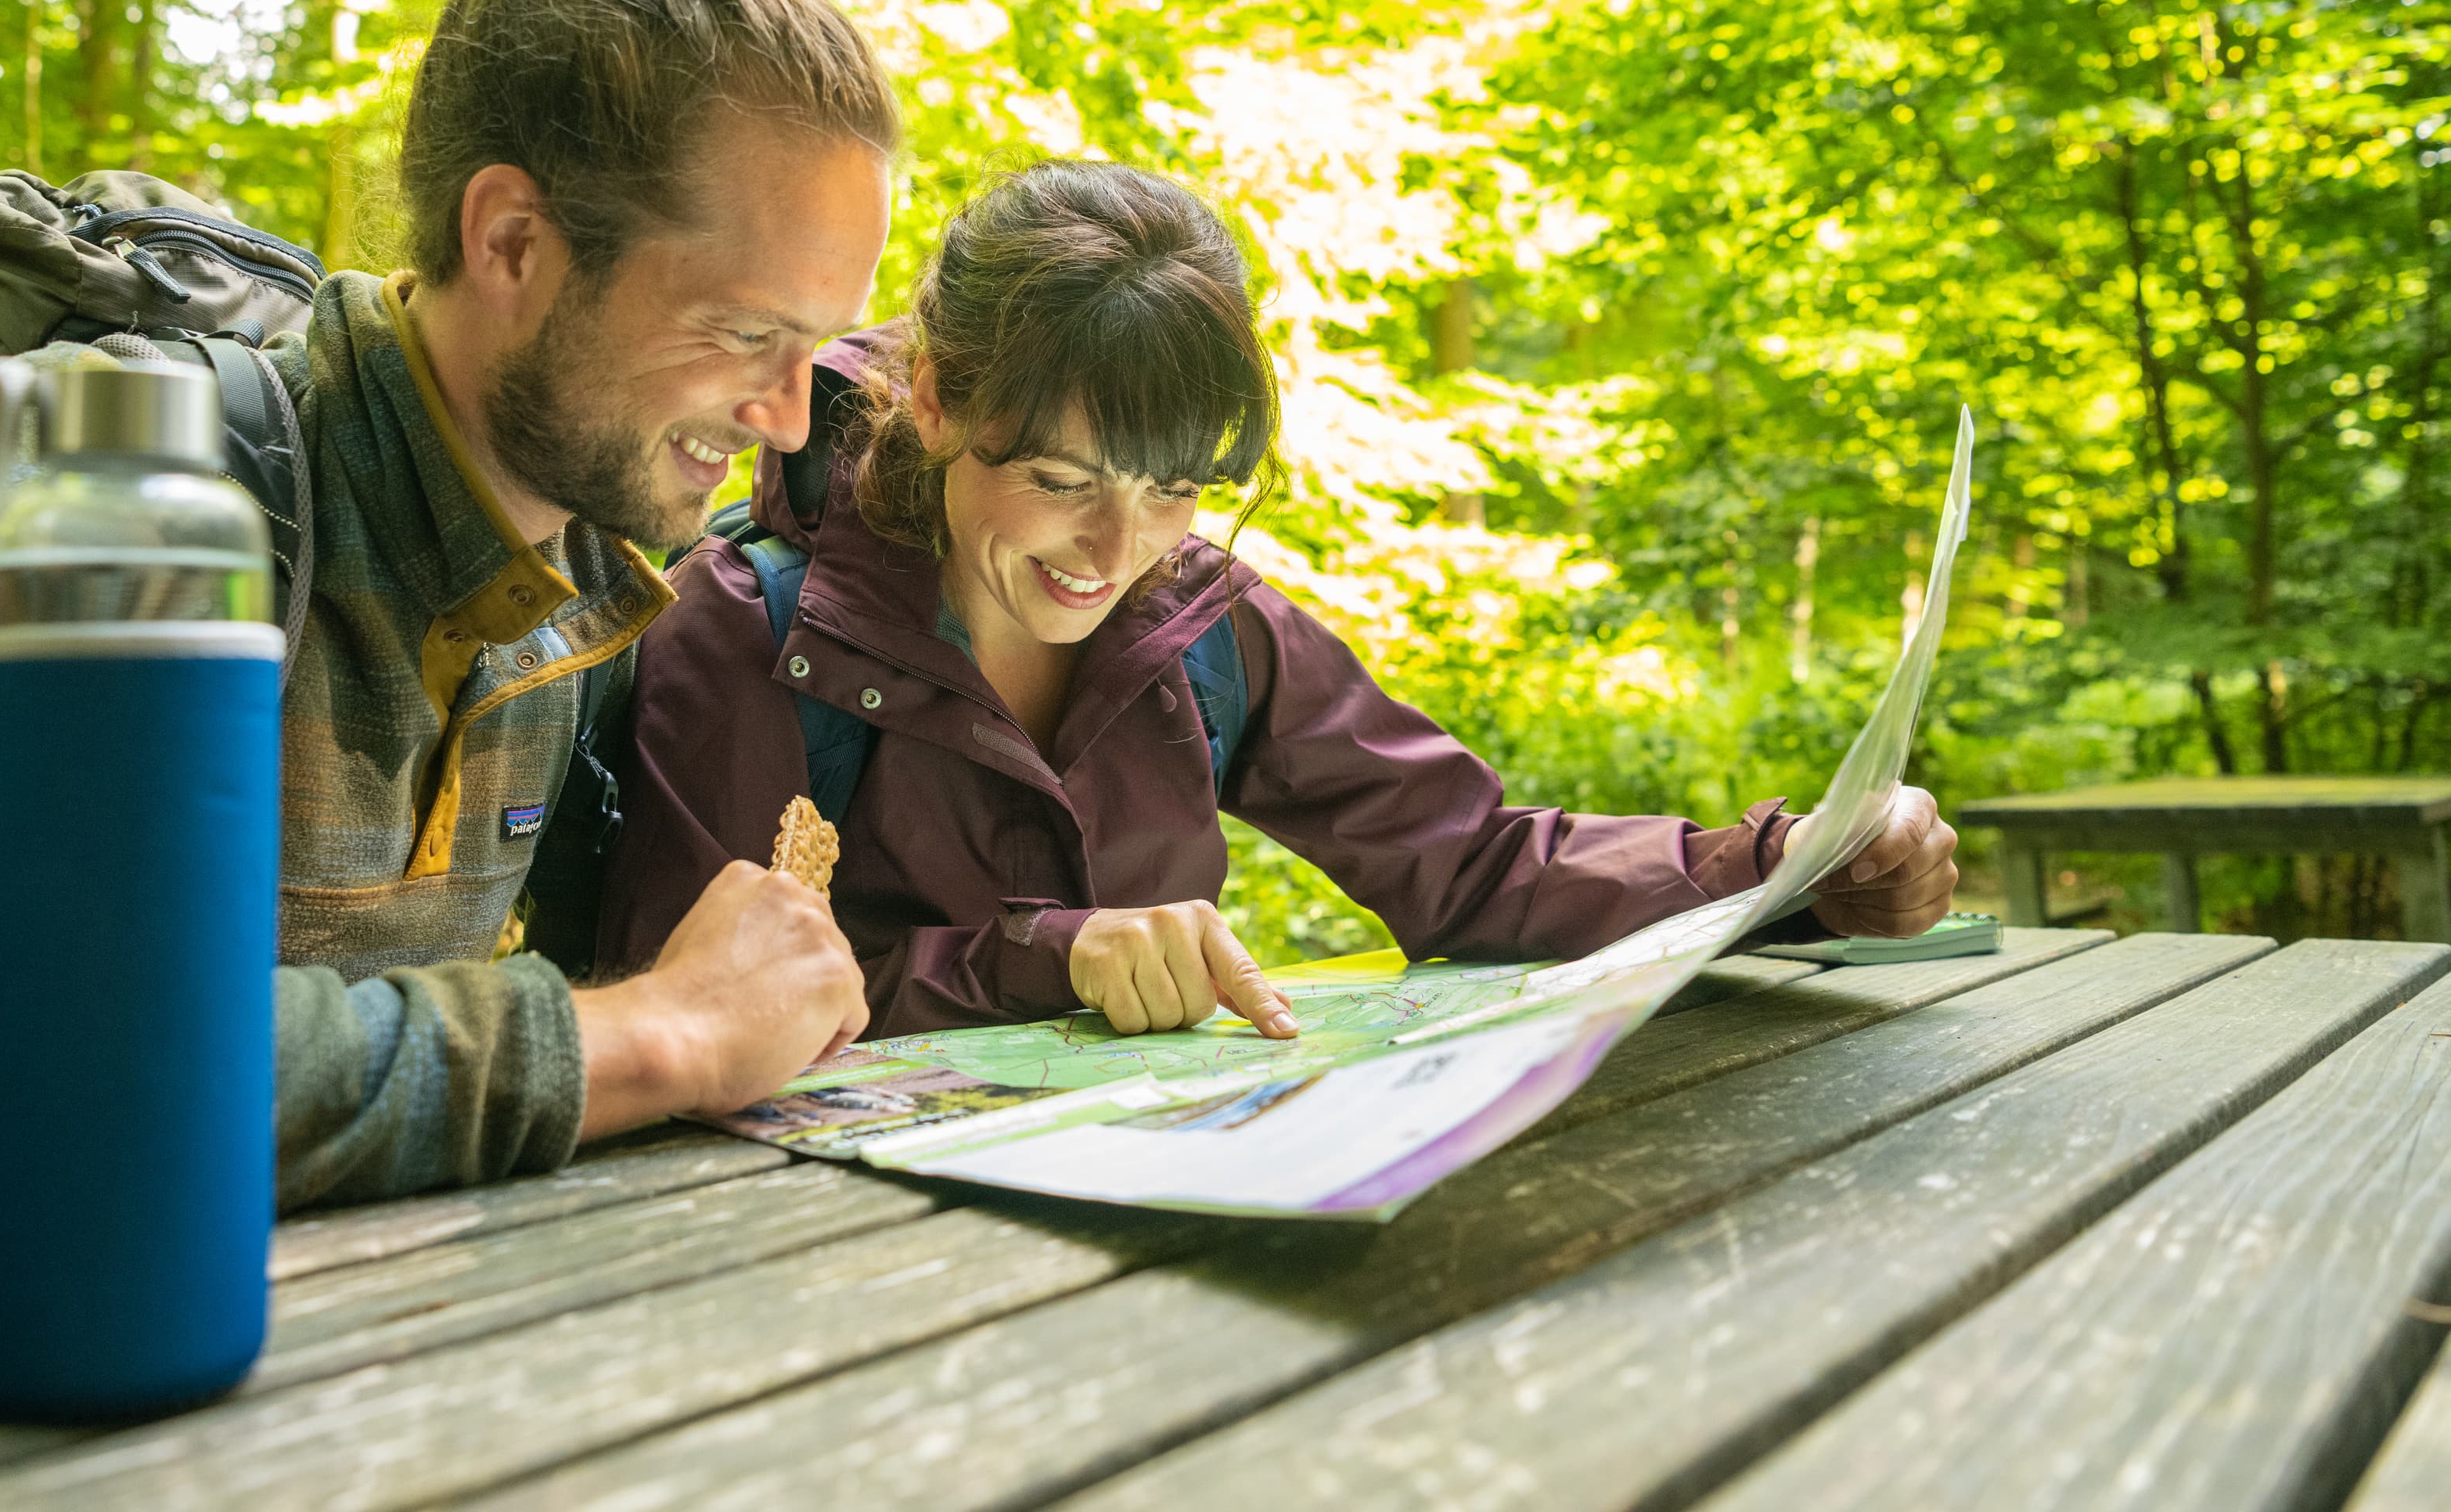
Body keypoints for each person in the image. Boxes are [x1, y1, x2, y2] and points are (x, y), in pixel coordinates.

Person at [0, 0, 890, 1262]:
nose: (782, 418)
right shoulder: (95, 473)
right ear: (511, 238)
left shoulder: (583, 586)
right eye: (742, 334)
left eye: (816, 351)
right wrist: (647, 1042)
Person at [598, 162, 1960, 1040]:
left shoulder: (1209, 633)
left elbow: (1471, 864)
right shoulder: (754, 631)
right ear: (945, 402)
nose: (1116, 550)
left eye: (1177, 490)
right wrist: (1044, 955)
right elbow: (674, 1005)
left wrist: (1784, 869)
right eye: (1065, 478)